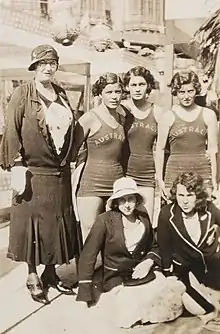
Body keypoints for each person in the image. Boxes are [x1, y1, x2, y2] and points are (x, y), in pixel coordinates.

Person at [0, 44, 77, 304]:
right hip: (33, 172)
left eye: (52, 63)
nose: (48, 67)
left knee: (56, 223)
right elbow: (12, 130)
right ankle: (32, 274)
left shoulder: (62, 94)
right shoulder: (23, 93)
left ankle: (51, 272)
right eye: (42, 63)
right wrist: (17, 163)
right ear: (34, 67)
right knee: (32, 226)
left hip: (59, 172)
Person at [76, 177, 186, 329]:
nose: (127, 205)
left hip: (142, 273)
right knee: (128, 309)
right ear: (116, 202)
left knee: (167, 299)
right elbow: (88, 256)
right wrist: (83, 295)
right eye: (122, 200)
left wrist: (148, 262)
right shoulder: (105, 221)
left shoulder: (143, 217)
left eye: (130, 199)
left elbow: (154, 246)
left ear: (137, 199)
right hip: (117, 277)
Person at [157, 172, 220, 323]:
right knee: (201, 308)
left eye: (189, 196)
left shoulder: (209, 209)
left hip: (212, 267)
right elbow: (164, 248)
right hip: (185, 272)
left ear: (197, 196)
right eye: (181, 195)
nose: (184, 201)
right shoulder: (167, 214)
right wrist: (168, 275)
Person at [71, 73, 126, 241]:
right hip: (91, 184)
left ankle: (106, 268)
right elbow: (72, 151)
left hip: (115, 182)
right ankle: (86, 268)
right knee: (89, 233)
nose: (114, 96)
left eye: (118, 91)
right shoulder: (89, 118)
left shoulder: (121, 118)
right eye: (109, 92)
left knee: (113, 233)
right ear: (100, 93)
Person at [155, 70, 218, 202]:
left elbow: (213, 151)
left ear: (196, 90)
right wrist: (160, 180)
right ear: (175, 92)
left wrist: (214, 181)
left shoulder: (208, 115)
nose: (186, 96)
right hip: (175, 172)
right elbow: (160, 150)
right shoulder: (168, 117)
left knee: (203, 216)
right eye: (181, 92)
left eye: (190, 91)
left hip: (202, 171)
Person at [121, 66, 162, 222]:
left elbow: (162, 147)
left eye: (141, 84)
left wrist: (159, 177)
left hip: (147, 174)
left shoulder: (157, 112)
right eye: (133, 84)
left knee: (146, 222)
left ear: (148, 86)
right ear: (127, 87)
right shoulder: (121, 109)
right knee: (124, 223)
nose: (137, 89)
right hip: (124, 173)